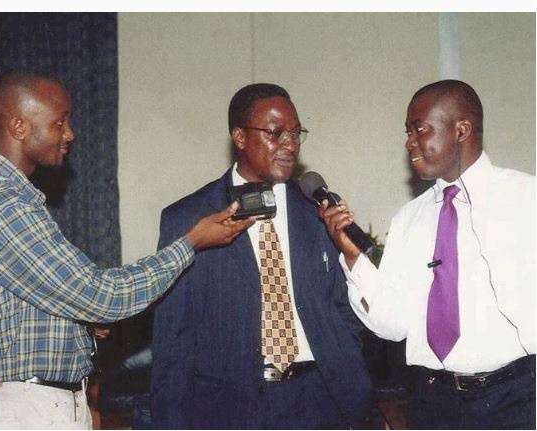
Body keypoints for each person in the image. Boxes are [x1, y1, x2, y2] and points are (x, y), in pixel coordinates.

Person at [0, 69, 253, 430]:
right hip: (29, 409)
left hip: (38, 402)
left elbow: (40, 301)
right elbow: (100, 295)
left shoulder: (6, 196)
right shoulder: (3, 205)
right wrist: (190, 243)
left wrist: (79, 326)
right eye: (59, 123)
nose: (69, 134)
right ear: (18, 127)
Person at [151, 83, 372, 429]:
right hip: (232, 409)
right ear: (239, 137)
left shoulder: (318, 207)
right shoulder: (188, 218)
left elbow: (343, 308)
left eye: (296, 133)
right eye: (276, 133)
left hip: (321, 400)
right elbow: (174, 341)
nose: (290, 144)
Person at [319, 79, 535, 429]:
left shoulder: (527, 198)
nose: (409, 143)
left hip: (518, 399)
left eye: (419, 129)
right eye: (407, 131)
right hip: (434, 402)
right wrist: (354, 257)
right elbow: (391, 325)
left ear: (461, 129)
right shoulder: (410, 218)